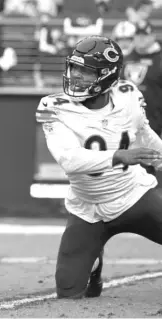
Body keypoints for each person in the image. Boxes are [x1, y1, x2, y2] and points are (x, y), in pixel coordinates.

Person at [36, 35, 162, 299]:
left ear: (107, 76)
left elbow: (145, 133)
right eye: (74, 68)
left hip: (133, 196)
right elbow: (68, 159)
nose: (76, 76)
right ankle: (94, 265)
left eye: (86, 71)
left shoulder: (128, 94)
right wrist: (118, 156)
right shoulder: (52, 107)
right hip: (87, 208)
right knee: (69, 291)